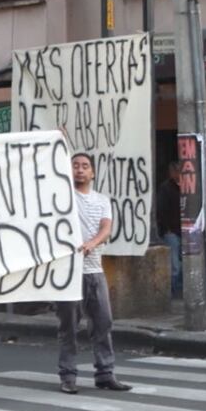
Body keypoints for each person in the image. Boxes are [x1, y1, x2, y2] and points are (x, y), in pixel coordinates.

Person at [55, 153, 132, 395]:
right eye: (75, 165)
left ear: (93, 173)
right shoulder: (63, 197)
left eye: (85, 166)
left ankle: (105, 373)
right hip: (68, 273)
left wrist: (92, 243)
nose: (79, 170)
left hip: (95, 271)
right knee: (69, 326)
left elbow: (106, 228)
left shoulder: (102, 200)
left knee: (103, 323)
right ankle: (68, 376)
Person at [156, 161, 183, 298]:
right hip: (171, 230)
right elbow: (161, 209)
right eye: (177, 171)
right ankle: (171, 292)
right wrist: (166, 228)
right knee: (174, 265)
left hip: (183, 230)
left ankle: (178, 289)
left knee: (182, 262)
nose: (179, 174)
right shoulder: (166, 188)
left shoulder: (186, 187)